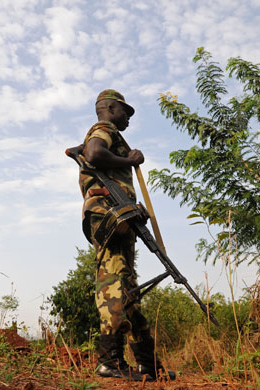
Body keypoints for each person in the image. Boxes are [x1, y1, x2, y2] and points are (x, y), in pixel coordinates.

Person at [76, 89, 164, 381]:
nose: (128, 116)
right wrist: (130, 160)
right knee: (114, 284)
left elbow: (89, 154)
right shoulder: (103, 130)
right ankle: (109, 362)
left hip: (120, 216)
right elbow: (93, 153)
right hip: (108, 214)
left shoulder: (108, 132)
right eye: (125, 110)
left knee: (128, 290)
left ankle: (147, 366)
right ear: (110, 108)